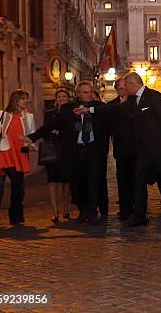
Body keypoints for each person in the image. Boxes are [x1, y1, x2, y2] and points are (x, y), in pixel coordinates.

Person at [78, 72, 161, 226]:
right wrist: (89, 110)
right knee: (138, 180)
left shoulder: (153, 96)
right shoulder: (132, 101)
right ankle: (139, 217)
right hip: (142, 151)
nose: (124, 89)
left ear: (133, 84)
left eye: (126, 86)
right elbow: (114, 109)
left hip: (158, 149)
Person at [28, 81, 109, 224]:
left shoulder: (99, 107)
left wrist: (88, 111)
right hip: (76, 151)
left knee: (92, 181)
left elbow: (112, 112)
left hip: (93, 150)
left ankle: (92, 211)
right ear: (77, 94)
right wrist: (31, 137)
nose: (89, 94)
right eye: (85, 92)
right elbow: (50, 125)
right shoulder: (68, 109)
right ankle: (83, 210)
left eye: (90, 91)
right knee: (78, 183)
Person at [0, 90, 36, 225]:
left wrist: (30, 144)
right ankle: (16, 215)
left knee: (18, 185)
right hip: (6, 152)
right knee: (16, 180)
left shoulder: (29, 117)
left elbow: (31, 135)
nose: (25, 101)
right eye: (23, 98)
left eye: (26, 98)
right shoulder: (3, 114)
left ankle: (16, 215)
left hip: (21, 153)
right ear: (15, 100)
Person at [42, 88, 72, 222]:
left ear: (68, 99)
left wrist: (59, 132)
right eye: (59, 97)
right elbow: (45, 129)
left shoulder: (72, 112)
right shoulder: (50, 113)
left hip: (66, 150)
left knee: (66, 181)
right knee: (52, 180)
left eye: (64, 97)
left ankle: (66, 208)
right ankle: (54, 211)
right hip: (52, 149)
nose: (61, 99)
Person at [108, 78, 136, 221]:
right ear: (117, 90)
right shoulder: (112, 105)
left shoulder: (136, 102)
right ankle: (124, 209)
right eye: (120, 89)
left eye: (125, 88)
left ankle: (136, 208)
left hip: (136, 147)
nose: (123, 91)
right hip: (120, 148)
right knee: (122, 179)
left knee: (136, 179)